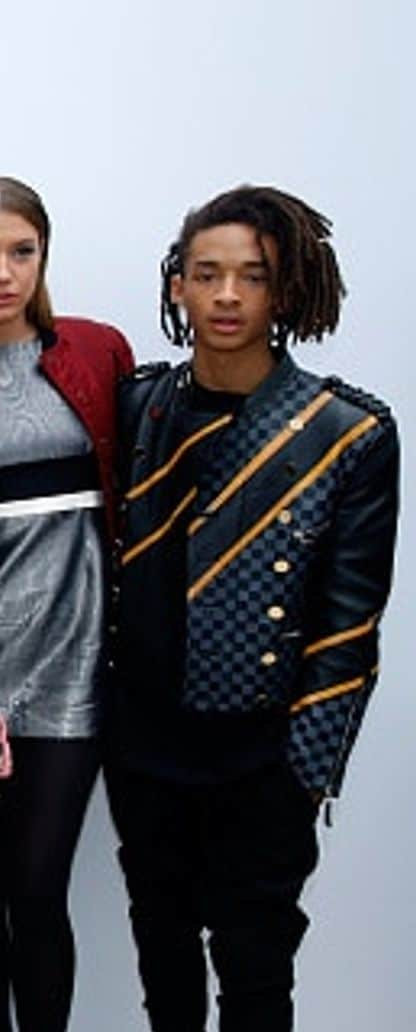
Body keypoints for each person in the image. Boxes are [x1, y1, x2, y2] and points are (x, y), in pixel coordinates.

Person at [108, 185, 398, 1031]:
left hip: (261, 753)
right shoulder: (141, 407)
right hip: (144, 742)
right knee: (161, 952)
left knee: (255, 964)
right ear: (178, 287)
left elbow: (351, 621)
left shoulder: (345, 432)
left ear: (288, 289)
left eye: (253, 276)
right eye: (208, 274)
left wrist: (304, 774)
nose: (228, 295)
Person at [0, 177, 135, 1032]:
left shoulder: (98, 351)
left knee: (39, 885)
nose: (3, 273)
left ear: (44, 255)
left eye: (22, 252)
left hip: (75, 675)